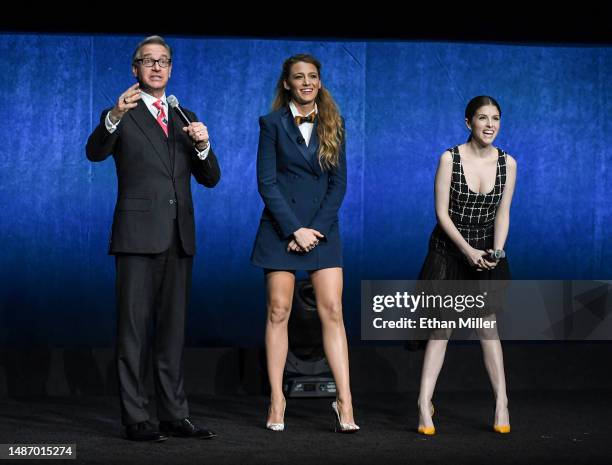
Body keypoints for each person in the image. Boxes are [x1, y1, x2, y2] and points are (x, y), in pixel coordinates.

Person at [86, 35, 220, 442]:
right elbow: (94, 152)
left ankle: (174, 414)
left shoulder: (184, 114)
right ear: (135, 69)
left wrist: (202, 145)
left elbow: (211, 177)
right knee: (132, 332)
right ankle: (136, 417)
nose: (157, 67)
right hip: (137, 237)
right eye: (148, 61)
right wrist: (112, 115)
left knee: (172, 333)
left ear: (171, 68)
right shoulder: (123, 113)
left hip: (179, 238)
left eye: (163, 61)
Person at [251, 54, 359, 433]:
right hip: (282, 230)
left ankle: (344, 401)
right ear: (287, 84)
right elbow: (267, 182)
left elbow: (338, 184)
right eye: (299, 77)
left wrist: (316, 229)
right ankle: (277, 398)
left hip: (323, 231)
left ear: (320, 81)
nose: (307, 82)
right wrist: (295, 230)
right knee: (278, 311)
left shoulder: (335, 123)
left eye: (313, 76)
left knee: (332, 309)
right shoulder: (271, 124)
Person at [416, 96, 517, 435]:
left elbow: (502, 214)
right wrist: (467, 250)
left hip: (486, 253)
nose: (490, 124)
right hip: (450, 251)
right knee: (441, 327)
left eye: (496, 118)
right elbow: (441, 214)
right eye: (482, 118)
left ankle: (502, 402)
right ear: (468, 122)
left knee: (488, 328)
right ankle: (423, 405)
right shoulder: (450, 158)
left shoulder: (508, 163)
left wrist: (496, 251)